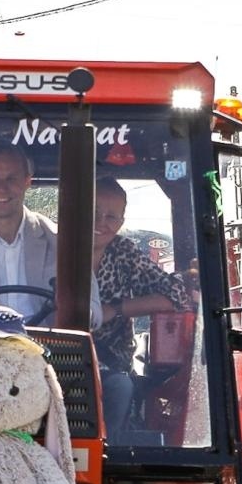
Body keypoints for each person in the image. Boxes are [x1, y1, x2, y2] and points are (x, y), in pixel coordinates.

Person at [0, 144, 101, 324]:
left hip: (51, 348)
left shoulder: (64, 241)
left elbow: (94, 314)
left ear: (27, 181)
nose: (2, 188)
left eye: (11, 179)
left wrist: (71, 308)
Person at [89, 177, 192, 441]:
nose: (102, 222)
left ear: (121, 222)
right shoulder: (51, 246)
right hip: (53, 357)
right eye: (94, 212)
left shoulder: (122, 252)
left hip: (111, 363)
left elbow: (177, 296)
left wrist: (116, 308)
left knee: (120, 388)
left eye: (111, 216)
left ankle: (106, 459)